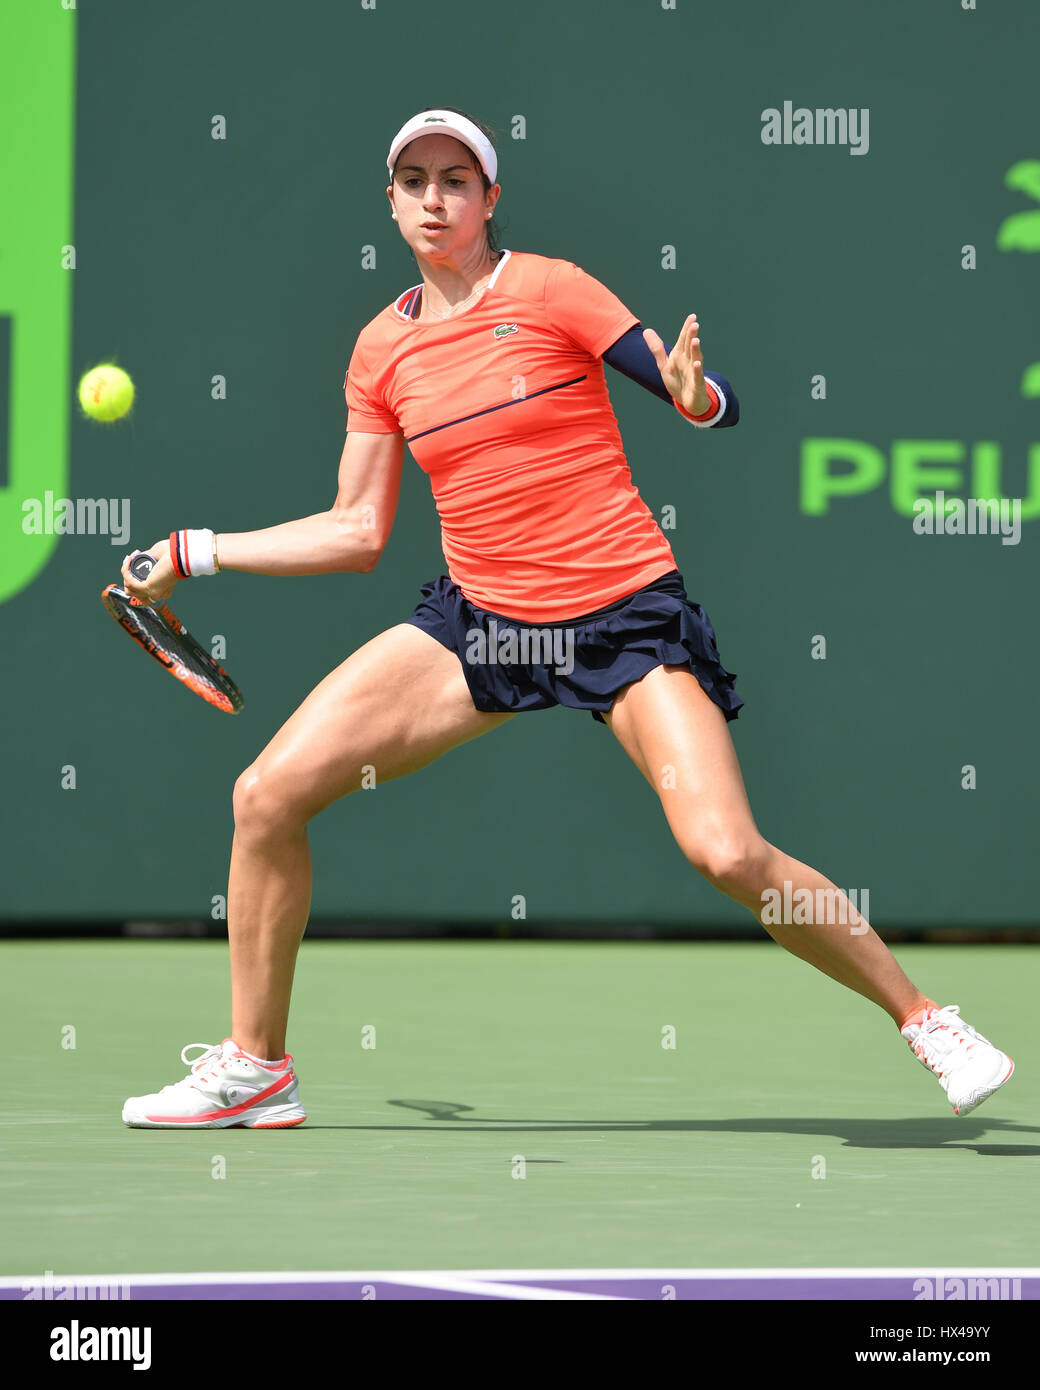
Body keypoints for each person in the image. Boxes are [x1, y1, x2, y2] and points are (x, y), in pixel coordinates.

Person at [120, 107, 1013, 1128]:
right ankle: (255, 1068)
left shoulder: (552, 288)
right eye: (412, 180)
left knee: (724, 851)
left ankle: (923, 1018)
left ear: (489, 197)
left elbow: (697, 391)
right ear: (390, 200)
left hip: (621, 617)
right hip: (481, 626)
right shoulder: (380, 349)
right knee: (266, 794)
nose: (433, 198)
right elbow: (357, 527)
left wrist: (695, 398)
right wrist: (199, 549)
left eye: (456, 179)